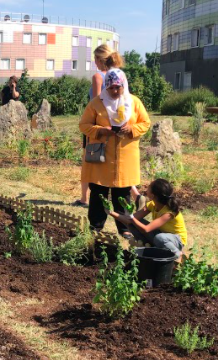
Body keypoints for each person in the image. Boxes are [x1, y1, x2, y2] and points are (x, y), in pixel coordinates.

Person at [79, 68, 151, 236]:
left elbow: (145, 123)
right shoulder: (97, 103)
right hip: (101, 155)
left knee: (123, 192)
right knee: (98, 191)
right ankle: (96, 226)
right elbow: (84, 125)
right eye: (111, 88)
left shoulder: (134, 102)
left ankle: (125, 228)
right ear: (106, 87)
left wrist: (131, 128)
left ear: (123, 85)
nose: (115, 91)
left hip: (125, 156)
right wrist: (100, 130)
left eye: (118, 87)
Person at [75, 46, 126, 207]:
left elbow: (96, 103)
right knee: (114, 160)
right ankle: (135, 194)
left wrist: (92, 127)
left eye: (95, 59)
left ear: (99, 60)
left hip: (98, 125)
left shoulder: (99, 77)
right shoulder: (119, 75)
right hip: (115, 123)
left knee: (89, 160)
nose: (94, 62)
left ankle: (85, 198)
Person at [110, 178, 188, 257]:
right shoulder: (152, 204)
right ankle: (148, 247)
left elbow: (146, 229)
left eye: (149, 187)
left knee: (159, 238)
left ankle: (177, 255)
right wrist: (110, 212)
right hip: (161, 235)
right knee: (133, 223)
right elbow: (129, 220)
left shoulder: (169, 212)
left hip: (176, 240)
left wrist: (132, 218)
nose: (147, 188)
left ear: (153, 195)